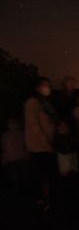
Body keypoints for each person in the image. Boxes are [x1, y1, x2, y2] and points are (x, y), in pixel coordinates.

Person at [24, 77, 58, 209]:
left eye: (49, 86)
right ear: (38, 88)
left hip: (48, 146)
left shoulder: (45, 103)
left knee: (47, 176)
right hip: (39, 147)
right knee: (40, 176)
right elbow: (34, 127)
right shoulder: (32, 103)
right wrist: (47, 144)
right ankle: (41, 201)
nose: (47, 88)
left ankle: (47, 200)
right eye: (45, 86)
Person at [1, 118, 29, 195]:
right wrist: (4, 159)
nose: (12, 125)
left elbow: (26, 146)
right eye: (10, 123)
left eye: (13, 123)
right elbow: (3, 148)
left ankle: (23, 191)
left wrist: (27, 156)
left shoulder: (21, 134)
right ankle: (18, 193)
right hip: (12, 159)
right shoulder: (5, 135)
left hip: (21, 157)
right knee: (15, 177)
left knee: (23, 176)